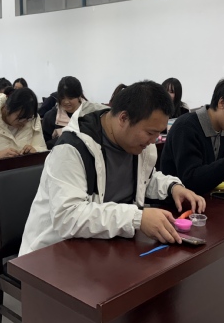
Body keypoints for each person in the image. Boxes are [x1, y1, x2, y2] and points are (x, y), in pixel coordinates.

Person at [20, 80, 205, 256]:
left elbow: (145, 179)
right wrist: (137, 218)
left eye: (158, 133)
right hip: (53, 254)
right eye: (150, 132)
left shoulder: (137, 146)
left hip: (104, 248)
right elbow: (68, 217)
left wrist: (173, 188)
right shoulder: (72, 148)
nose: (154, 140)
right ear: (123, 118)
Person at [42, 76, 86, 149]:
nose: (66, 102)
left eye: (70, 98)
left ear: (79, 96)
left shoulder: (91, 113)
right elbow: (43, 146)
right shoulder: (51, 117)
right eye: (62, 98)